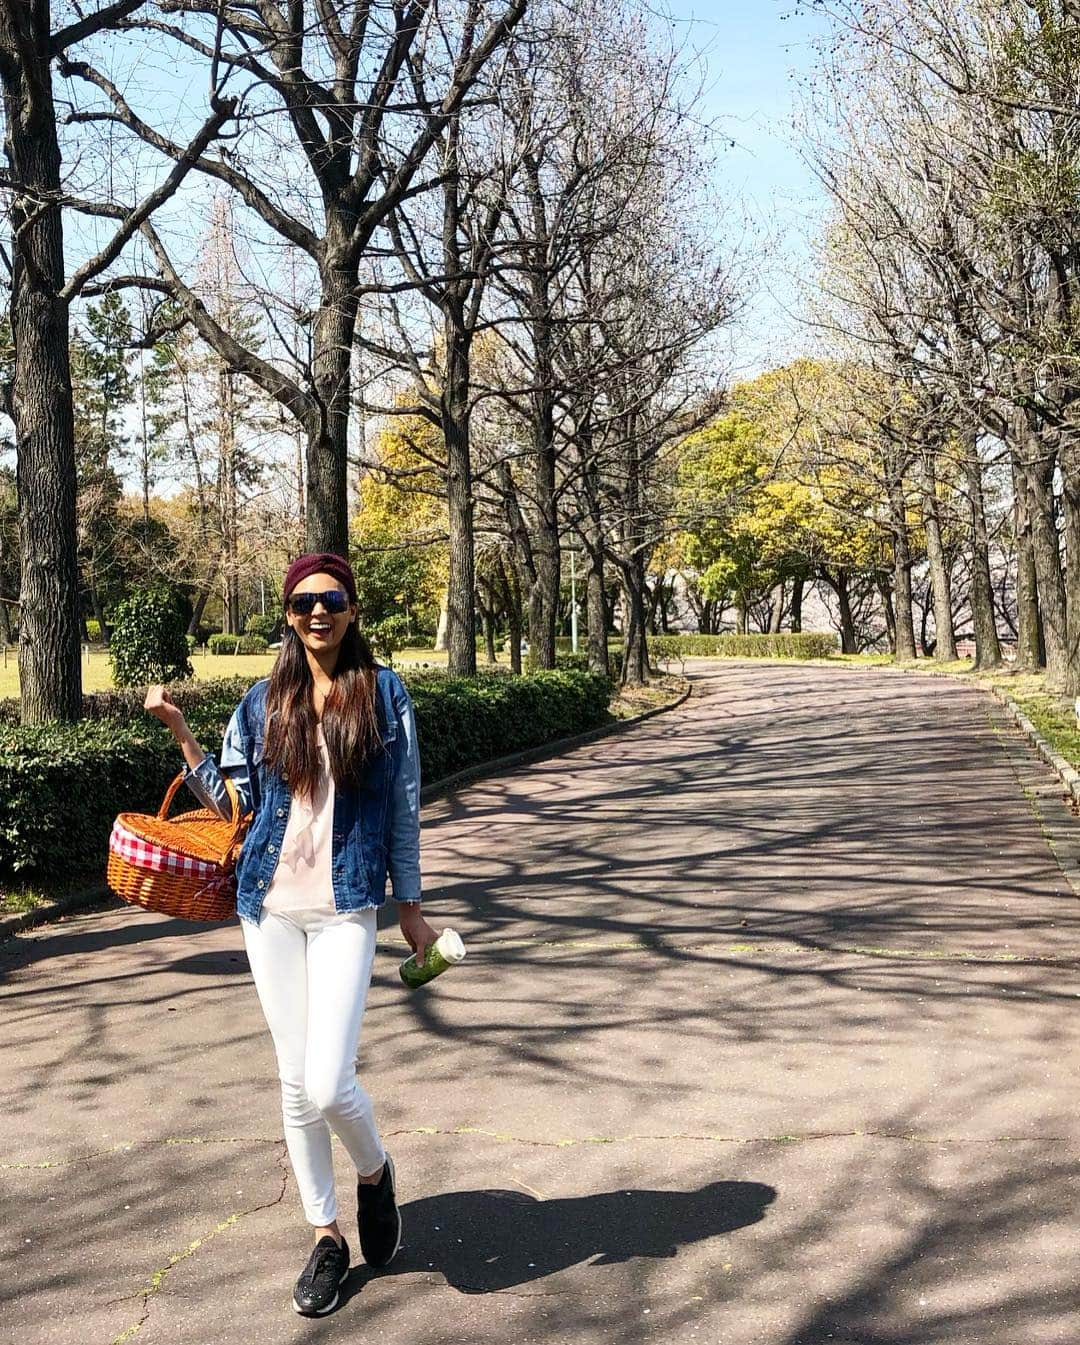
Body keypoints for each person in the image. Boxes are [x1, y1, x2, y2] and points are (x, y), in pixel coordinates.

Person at [144, 551, 437, 1317]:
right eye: (304, 600)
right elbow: (231, 805)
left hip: (345, 908)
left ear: (350, 610)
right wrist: (182, 735)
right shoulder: (263, 699)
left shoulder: (385, 695)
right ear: (287, 612)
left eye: (331, 599)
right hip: (267, 908)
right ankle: (326, 1235)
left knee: (327, 1079)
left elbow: (403, 807)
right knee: (293, 1080)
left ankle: (374, 1171)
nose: (318, 611)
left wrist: (409, 906)